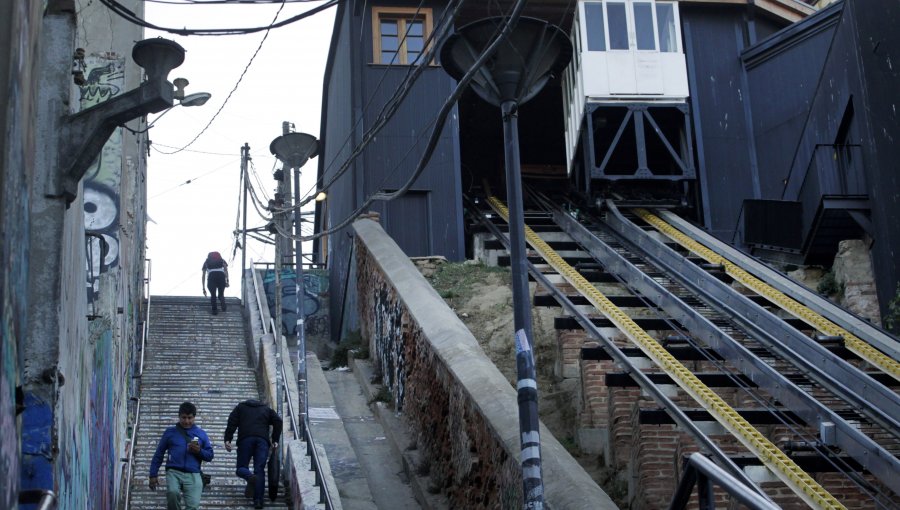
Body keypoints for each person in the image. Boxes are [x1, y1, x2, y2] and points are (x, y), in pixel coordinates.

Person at [149, 401, 214, 510]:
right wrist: (153, 474)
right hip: (174, 471)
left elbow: (210, 456)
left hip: (194, 473)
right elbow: (159, 454)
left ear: (194, 417)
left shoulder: (201, 434)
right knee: (172, 493)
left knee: (193, 505)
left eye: (190, 418)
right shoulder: (170, 432)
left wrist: (199, 451)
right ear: (179, 416)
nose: (187, 421)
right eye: (183, 418)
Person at [224, 399, 283, 509]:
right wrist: (275, 440)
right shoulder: (266, 409)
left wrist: (228, 439)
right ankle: (258, 501)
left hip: (245, 440)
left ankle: (250, 477)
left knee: (241, 468)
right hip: (262, 442)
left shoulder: (240, 407)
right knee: (259, 469)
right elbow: (278, 421)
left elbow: (232, 421)